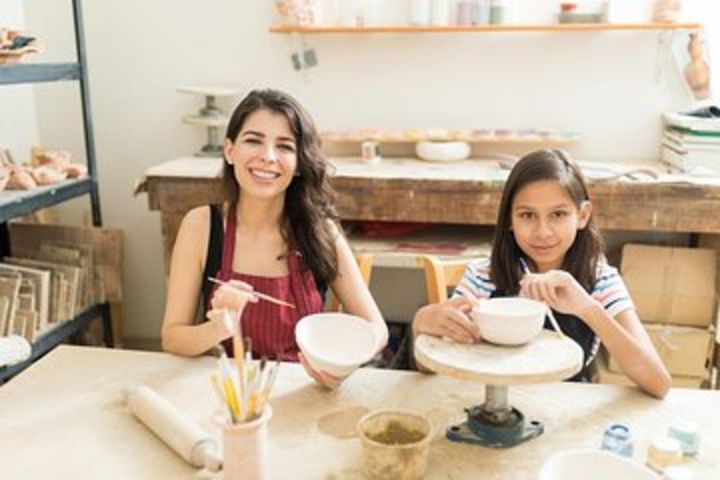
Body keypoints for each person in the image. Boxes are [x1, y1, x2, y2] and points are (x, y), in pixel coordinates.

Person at [161, 89, 388, 389]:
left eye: (284, 146)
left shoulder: (321, 231)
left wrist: (341, 366)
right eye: (253, 140)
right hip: (230, 396)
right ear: (229, 151)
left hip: (305, 391)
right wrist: (218, 328)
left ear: (298, 164)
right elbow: (173, 337)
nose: (267, 157)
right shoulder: (201, 226)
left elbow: (377, 330)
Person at [412, 149, 671, 398]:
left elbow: (658, 383)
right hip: (489, 401)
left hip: (567, 410)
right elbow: (428, 369)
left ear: (582, 216)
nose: (543, 232)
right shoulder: (483, 275)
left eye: (558, 214)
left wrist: (588, 308)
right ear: (509, 220)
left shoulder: (601, 280)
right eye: (527, 215)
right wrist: (423, 323)